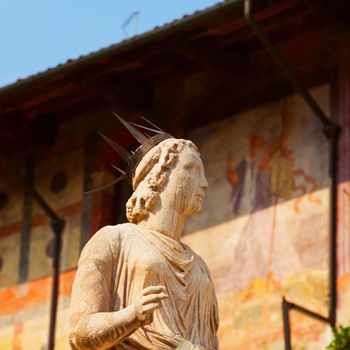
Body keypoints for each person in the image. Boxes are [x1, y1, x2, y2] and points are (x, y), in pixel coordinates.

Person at [69, 137, 219, 350]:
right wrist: (132, 315)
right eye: (191, 170)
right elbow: (79, 333)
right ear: (159, 177)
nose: (204, 184)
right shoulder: (113, 239)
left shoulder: (200, 266)